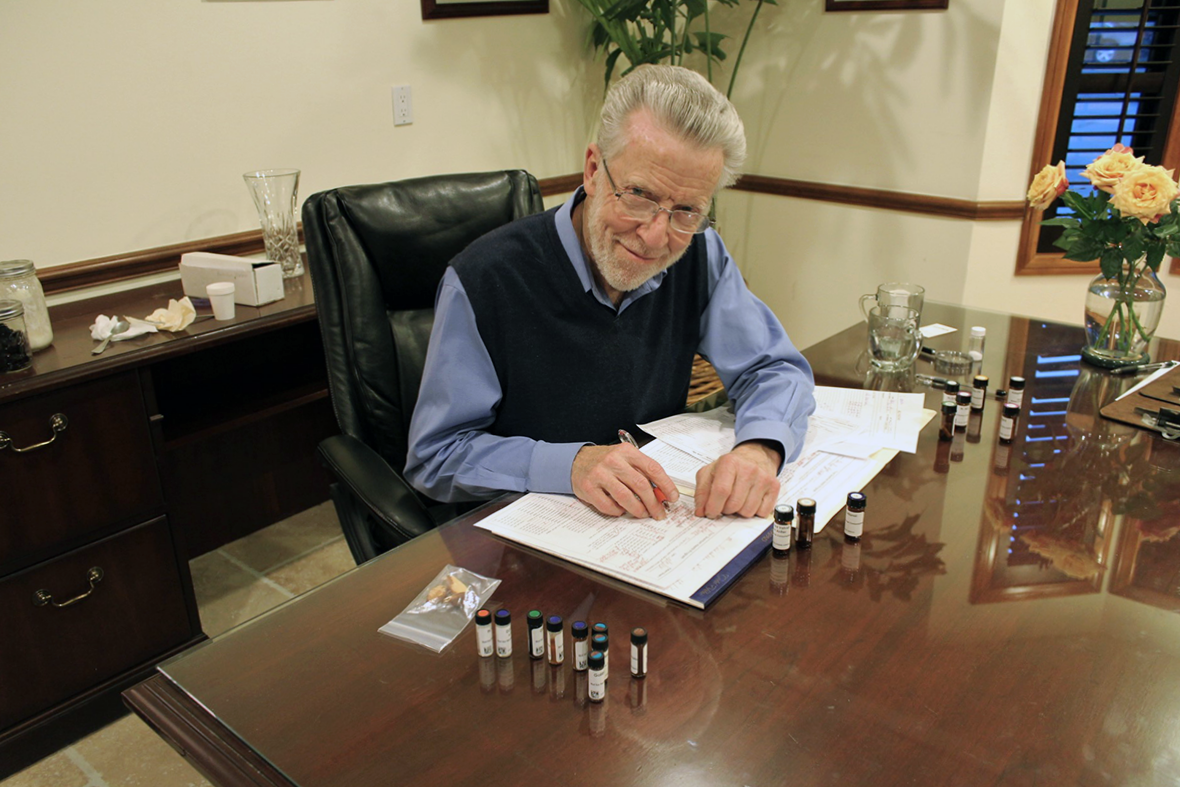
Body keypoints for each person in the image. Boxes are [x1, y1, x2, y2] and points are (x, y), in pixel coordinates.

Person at [405, 64, 815, 521]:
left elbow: (774, 367)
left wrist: (759, 450)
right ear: (594, 170)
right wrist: (573, 465)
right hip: (516, 537)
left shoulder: (700, 255)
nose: (657, 236)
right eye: (639, 195)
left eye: (686, 211)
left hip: (648, 533)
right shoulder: (484, 279)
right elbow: (437, 457)